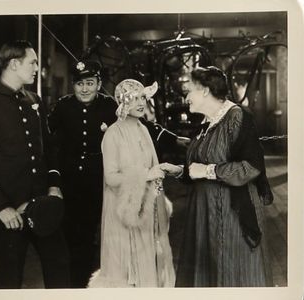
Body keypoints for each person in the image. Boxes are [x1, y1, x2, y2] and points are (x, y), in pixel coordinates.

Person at [0, 40, 69, 289]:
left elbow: (48, 150)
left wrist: (54, 185)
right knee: (10, 282)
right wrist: (1, 208)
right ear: (13, 64)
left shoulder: (35, 101)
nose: (36, 68)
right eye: (32, 62)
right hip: (10, 213)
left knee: (60, 271)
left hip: (43, 207)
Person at [174, 66, 273, 287]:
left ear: (205, 90)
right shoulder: (207, 122)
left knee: (230, 270)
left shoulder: (237, 117)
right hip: (205, 213)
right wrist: (180, 170)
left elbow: (251, 167)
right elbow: (199, 164)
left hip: (231, 213)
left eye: (188, 90)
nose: (186, 97)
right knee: (209, 272)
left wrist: (208, 171)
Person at [88, 79, 182, 287]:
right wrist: (146, 175)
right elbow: (111, 178)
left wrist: (161, 172)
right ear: (123, 103)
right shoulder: (113, 133)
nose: (141, 103)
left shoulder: (143, 129)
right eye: (134, 99)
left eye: (142, 97)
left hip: (146, 210)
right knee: (124, 271)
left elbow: (152, 168)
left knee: (147, 265)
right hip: (121, 212)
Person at [48, 60, 118, 288]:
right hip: (71, 184)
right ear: (73, 85)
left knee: (103, 237)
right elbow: (49, 142)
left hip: (102, 182)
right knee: (74, 238)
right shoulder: (63, 107)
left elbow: (137, 128)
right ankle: (77, 286)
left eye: (89, 83)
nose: (84, 89)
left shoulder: (110, 107)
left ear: (99, 83)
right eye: (79, 84)